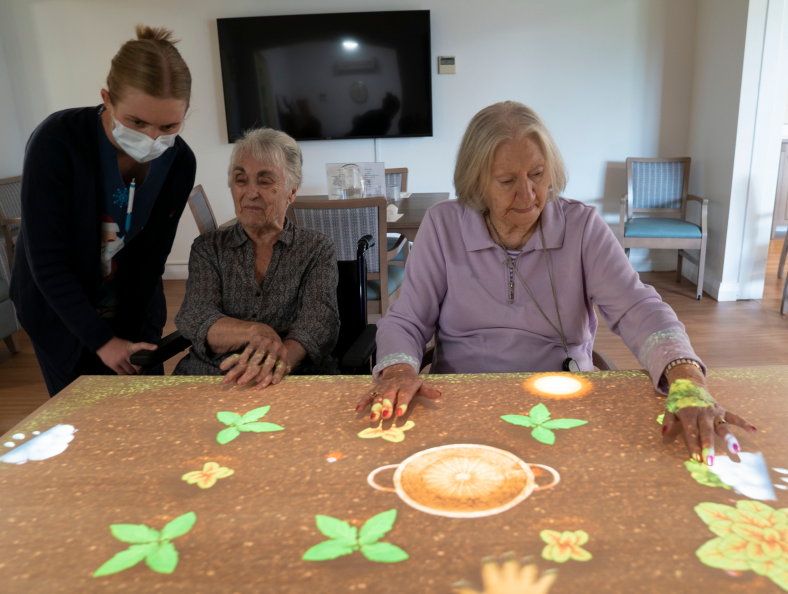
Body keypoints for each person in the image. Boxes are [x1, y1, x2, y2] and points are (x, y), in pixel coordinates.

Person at [357, 101, 756, 466]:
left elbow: (638, 308)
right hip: (461, 401)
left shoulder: (582, 226)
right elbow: (406, 320)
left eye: (537, 174)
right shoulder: (443, 225)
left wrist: (686, 375)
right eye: (506, 180)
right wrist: (397, 371)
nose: (529, 194)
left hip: (565, 402)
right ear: (477, 184)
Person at [10, 26, 196, 396]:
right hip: (60, 311)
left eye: (169, 126)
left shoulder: (179, 162)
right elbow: (47, 262)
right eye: (136, 122)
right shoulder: (58, 141)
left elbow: (150, 260)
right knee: (84, 418)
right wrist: (102, 342)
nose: (152, 139)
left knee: (144, 409)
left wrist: (137, 338)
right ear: (106, 99)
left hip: (131, 306)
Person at [173, 128, 339, 388]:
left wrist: (276, 363)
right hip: (214, 377)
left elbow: (319, 321)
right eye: (241, 180)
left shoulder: (316, 248)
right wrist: (255, 332)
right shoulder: (208, 248)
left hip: (290, 379)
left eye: (264, 181)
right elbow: (196, 316)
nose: (250, 192)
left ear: (292, 192)